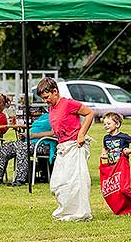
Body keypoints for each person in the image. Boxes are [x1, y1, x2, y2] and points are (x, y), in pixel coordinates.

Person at [36, 77, 94, 221]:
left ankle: (80, 213)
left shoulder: (68, 103)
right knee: (58, 182)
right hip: (63, 147)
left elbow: (89, 113)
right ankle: (66, 210)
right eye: (43, 98)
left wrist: (81, 134)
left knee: (75, 181)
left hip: (75, 146)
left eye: (47, 97)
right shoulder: (52, 107)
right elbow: (56, 130)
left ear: (55, 91)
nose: (45, 101)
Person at [0, 110, 55, 186]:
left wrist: (32, 135)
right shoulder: (44, 116)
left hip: (44, 144)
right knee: (5, 147)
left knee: (23, 147)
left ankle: (20, 179)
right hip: (28, 141)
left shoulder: (58, 116)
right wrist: (24, 135)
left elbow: (53, 133)